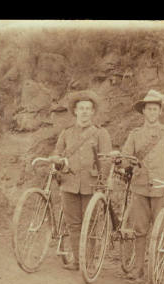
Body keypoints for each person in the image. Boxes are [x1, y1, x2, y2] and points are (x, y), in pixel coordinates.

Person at [121, 89, 164, 281]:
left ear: (160, 112)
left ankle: (159, 268)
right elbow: (126, 157)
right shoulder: (135, 134)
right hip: (139, 186)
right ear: (144, 112)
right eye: (149, 109)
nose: (152, 112)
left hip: (160, 187)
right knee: (140, 229)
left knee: (161, 230)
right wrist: (123, 163)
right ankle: (138, 268)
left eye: (155, 109)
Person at [49, 90, 112, 269]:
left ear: (93, 112)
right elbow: (57, 151)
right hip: (69, 183)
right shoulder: (66, 133)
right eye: (81, 108)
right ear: (75, 111)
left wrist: (102, 181)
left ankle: (88, 261)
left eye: (88, 109)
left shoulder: (101, 133)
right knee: (73, 223)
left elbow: (105, 159)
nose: (84, 112)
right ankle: (77, 261)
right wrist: (57, 159)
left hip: (92, 184)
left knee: (90, 223)